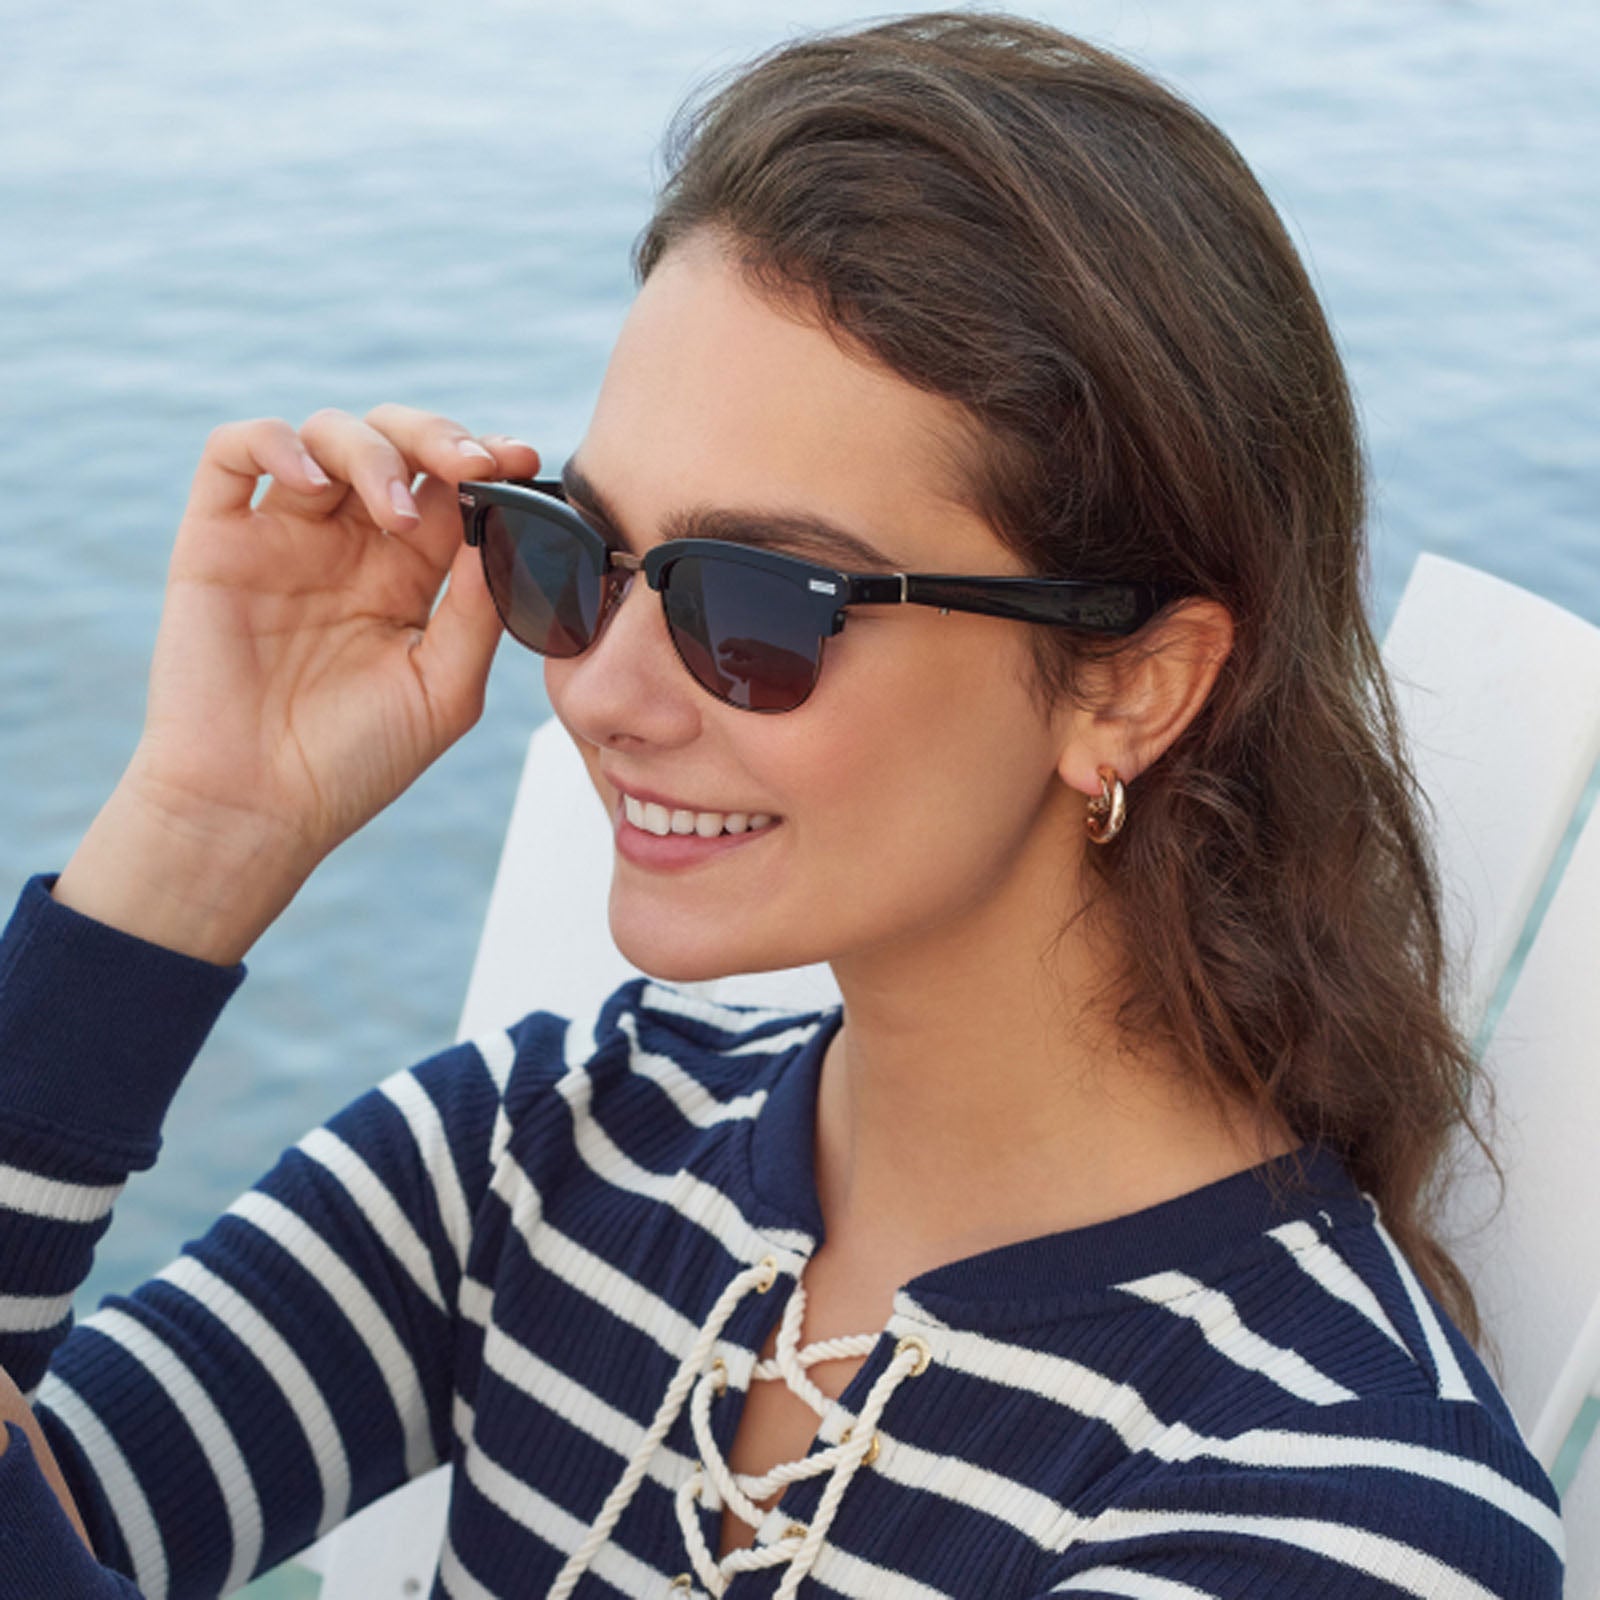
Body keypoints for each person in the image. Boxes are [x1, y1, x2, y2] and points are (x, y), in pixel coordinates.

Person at [0, 11, 1565, 1598]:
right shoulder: (541, 1158)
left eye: (755, 603)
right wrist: (202, 828)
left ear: (1131, 685)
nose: (601, 691)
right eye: (577, 554)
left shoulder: (1336, 1508)